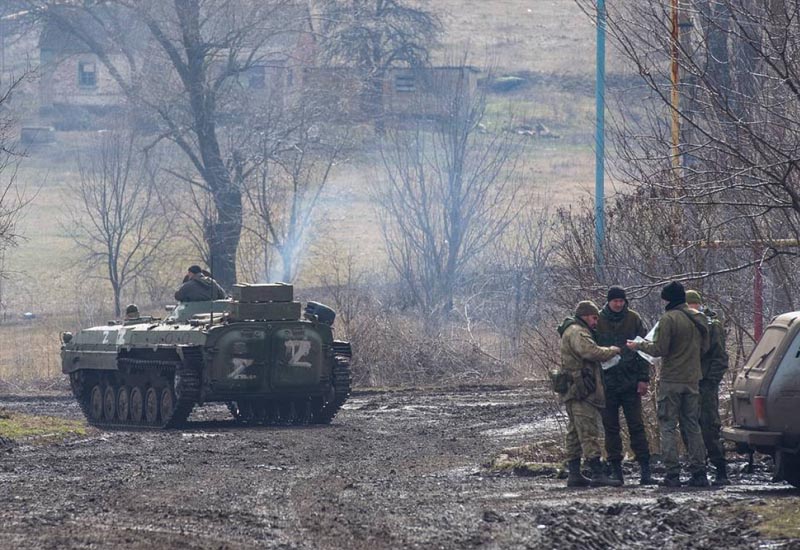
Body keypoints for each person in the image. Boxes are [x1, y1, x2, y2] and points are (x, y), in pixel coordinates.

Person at [627, 281, 710, 487]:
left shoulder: (669, 319)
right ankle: (699, 472)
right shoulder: (699, 318)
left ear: (668, 299)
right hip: (693, 379)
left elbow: (659, 349)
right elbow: (706, 348)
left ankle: (672, 474)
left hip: (671, 379)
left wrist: (638, 345)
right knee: (693, 426)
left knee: (668, 426)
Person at [557, 300, 623, 488]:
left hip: (574, 389)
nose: (596, 322)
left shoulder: (570, 330)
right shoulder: (578, 332)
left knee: (574, 433)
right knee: (588, 431)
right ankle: (597, 472)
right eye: (594, 318)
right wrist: (611, 351)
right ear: (586, 315)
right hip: (581, 390)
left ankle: (575, 473)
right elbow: (590, 352)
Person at [595, 286, 655, 485]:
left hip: (630, 382)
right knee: (610, 427)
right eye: (615, 301)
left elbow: (643, 350)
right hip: (607, 383)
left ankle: (645, 469)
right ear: (608, 301)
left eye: (622, 301)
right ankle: (615, 470)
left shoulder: (633, 319)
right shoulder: (598, 320)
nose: (619, 304)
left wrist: (643, 379)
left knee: (636, 426)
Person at [685, 289, 730, 486]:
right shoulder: (686, 324)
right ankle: (698, 469)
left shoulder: (712, 326)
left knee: (710, 426)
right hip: (690, 382)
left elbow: (720, 357)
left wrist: (711, 381)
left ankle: (720, 468)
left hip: (705, 383)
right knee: (690, 426)